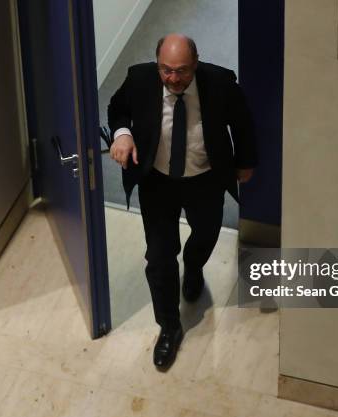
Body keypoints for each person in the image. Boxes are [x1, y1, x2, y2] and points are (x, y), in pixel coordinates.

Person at [108, 33, 257, 370]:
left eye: (182, 71)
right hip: (157, 181)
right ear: (157, 63)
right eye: (167, 70)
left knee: (205, 235)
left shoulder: (219, 82)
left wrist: (245, 162)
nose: (174, 79)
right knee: (159, 257)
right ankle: (169, 327)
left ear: (196, 62)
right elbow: (117, 109)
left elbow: (243, 121)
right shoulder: (139, 78)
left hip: (204, 179)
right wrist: (123, 134)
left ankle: (193, 265)